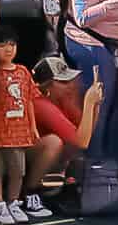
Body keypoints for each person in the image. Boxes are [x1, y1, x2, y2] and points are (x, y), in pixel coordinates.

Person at [28, 54, 102, 211]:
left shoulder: (63, 99)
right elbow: (81, 141)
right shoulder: (39, 103)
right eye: (63, 82)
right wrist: (89, 103)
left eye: (70, 80)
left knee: (73, 151)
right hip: (16, 157)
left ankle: (54, 188)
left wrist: (96, 106)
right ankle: (30, 193)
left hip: (34, 157)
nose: (70, 85)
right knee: (54, 142)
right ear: (47, 86)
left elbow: (85, 135)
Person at [0, 22, 38, 225]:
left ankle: (13, 201)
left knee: (17, 169)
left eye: (12, 44)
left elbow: (29, 100)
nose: (8, 49)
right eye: (1, 45)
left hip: (19, 131)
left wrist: (32, 126)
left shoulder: (23, 72)